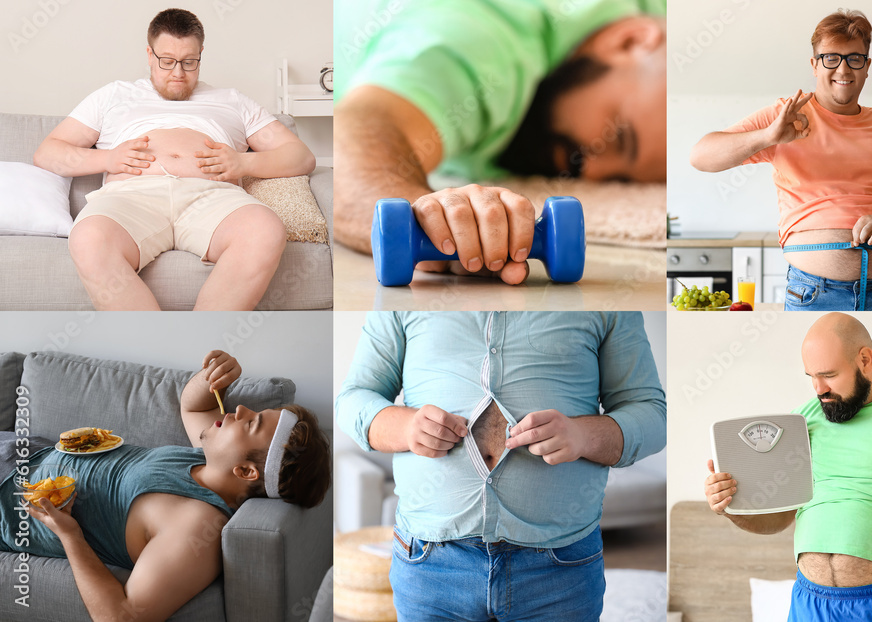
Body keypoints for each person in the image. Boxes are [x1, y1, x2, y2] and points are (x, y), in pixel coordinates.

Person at [337, 312, 666, 620]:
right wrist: (406, 428)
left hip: (561, 568)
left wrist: (582, 435)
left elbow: (652, 414)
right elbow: (354, 399)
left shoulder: (607, 305)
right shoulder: (401, 292)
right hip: (430, 565)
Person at [334, 0, 666, 285]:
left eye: (621, 180)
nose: (591, 172)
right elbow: (350, 141)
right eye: (619, 138)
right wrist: (439, 223)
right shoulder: (481, 40)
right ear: (630, 40)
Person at [0, 350, 331, 622]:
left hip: (8, 501)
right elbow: (195, 405)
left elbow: (120, 617)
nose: (241, 410)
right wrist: (212, 377)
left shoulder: (196, 527)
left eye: (252, 422)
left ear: (245, 471)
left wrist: (69, 534)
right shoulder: (207, 461)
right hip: (23, 449)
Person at [33, 8, 316, 311]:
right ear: (149, 54)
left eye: (188, 62)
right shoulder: (113, 96)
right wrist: (108, 158)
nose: (178, 73)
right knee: (88, 237)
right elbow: (47, 153)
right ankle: (155, 353)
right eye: (167, 62)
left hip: (212, 198)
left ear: (201, 54)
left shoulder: (232, 101)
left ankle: (204, 349)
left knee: (265, 229)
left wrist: (243, 163)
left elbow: (301, 156)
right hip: (130, 200)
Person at [704, 312, 872, 621]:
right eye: (811, 377)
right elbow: (779, 519)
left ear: (865, 359)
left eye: (829, 375)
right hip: (809, 603)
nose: (819, 389)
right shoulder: (802, 420)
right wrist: (731, 507)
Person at [689, 9, 872, 311]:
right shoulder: (786, 115)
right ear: (814, 65)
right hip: (814, 294)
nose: (843, 70)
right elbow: (700, 156)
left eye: (855, 58)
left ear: (867, 67)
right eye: (831, 58)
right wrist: (767, 137)